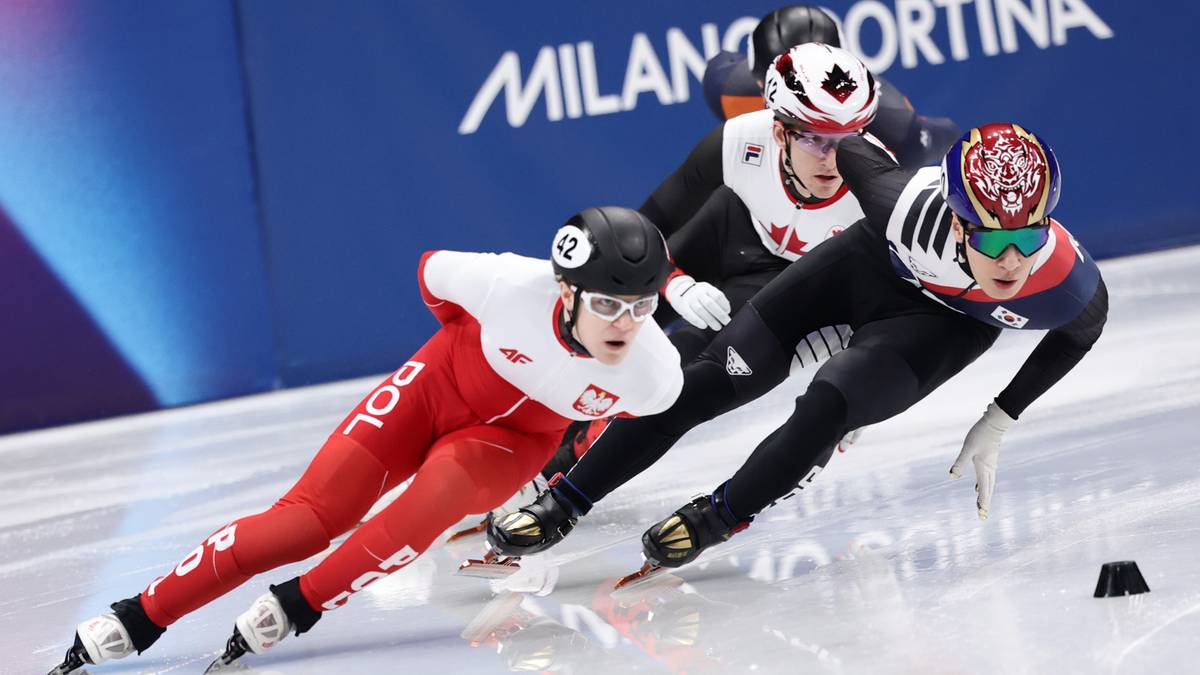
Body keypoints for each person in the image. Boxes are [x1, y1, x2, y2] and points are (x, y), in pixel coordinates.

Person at [47, 207, 684, 674]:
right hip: (434, 384)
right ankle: (142, 613)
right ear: (566, 290)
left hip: (511, 440)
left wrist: (567, 431)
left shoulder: (654, 375)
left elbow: (622, 416)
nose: (625, 324)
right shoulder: (506, 284)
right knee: (303, 524)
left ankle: (303, 602)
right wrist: (449, 353)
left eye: (641, 307)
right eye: (607, 304)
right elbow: (431, 275)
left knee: (430, 500)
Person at [483, 122, 1108, 585]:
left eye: (1028, 234)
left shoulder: (1063, 283)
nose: (1011, 261)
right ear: (953, 219)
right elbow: (851, 140)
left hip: (939, 327)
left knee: (826, 407)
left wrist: (1000, 416)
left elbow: (1082, 331)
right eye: (993, 236)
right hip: (864, 265)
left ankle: (718, 516)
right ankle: (565, 501)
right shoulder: (895, 205)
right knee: (703, 381)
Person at [528, 43, 887, 490]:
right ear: (780, 132)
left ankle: (557, 466)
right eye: (815, 138)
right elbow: (642, 231)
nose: (833, 159)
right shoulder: (738, 140)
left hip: (786, 277)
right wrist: (672, 283)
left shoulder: (877, 193)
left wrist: (866, 390)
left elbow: (881, 309)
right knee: (609, 312)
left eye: (848, 140)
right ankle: (524, 429)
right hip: (726, 231)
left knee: (679, 369)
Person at [699, 5, 961, 171]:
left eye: (808, 97)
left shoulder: (891, 127)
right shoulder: (727, 89)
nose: (795, 109)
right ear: (759, 83)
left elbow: (946, 136)